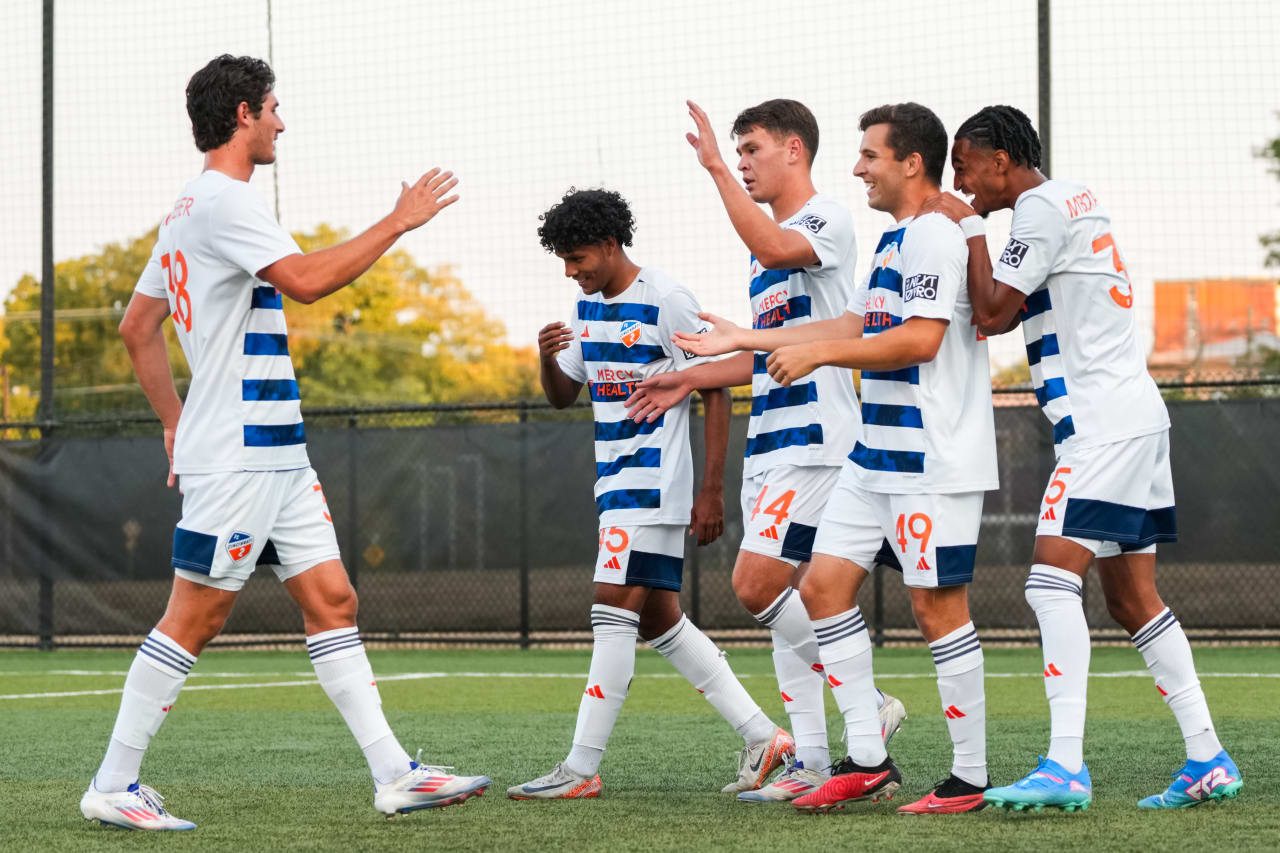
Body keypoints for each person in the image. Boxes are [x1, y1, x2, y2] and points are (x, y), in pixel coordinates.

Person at [80, 54, 490, 831]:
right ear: (242, 114)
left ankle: (396, 773)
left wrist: (174, 419)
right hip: (238, 453)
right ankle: (112, 783)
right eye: (273, 107)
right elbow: (303, 279)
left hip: (275, 451)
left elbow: (139, 327)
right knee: (194, 615)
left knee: (333, 599)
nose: (281, 120)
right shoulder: (223, 200)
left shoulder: (188, 207)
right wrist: (398, 220)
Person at [674, 103, 998, 815]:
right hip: (871, 459)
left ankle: (969, 777)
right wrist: (746, 338)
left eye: (870, 155)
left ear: (911, 162)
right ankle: (868, 758)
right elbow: (851, 323)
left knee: (935, 606)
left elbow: (918, 340)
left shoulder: (936, 236)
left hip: (929, 458)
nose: (858, 168)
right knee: (821, 589)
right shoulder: (892, 241)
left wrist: (814, 351)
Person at [924, 103, 1241, 811]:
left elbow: (993, 312)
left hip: (1103, 425)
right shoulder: (1069, 199)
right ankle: (1208, 755)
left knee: (1046, 580)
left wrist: (968, 227)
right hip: (1131, 418)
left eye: (966, 166)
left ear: (1000, 160)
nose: (961, 181)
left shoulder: (1036, 208)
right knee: (1131, 599)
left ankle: (1065, 764)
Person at [625, 99, 905, 803]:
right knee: (790, 606)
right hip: (771, 446)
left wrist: (714, 169)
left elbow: (785, 258)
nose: (743, 162)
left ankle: (868, 712)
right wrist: (687, 375)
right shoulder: (765, 250)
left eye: (752, 150)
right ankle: (811, 759)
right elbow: (763, 350)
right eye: (737, 153)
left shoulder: (824, 220)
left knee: (755, 584)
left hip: (817, 444)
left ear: (793, 150)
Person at [508, 188, 791, 800]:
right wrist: (546, 358)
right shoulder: (585, 311)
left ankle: (580, 770)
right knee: (660, 619)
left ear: (610, 245)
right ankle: (764, 736)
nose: (571, 270)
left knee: (609, 610)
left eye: (578, 257)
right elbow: (564, 396)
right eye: (563, 260)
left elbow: (716, 385)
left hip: (653, 481)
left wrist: (711, 489)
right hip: (615, 483)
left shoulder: (665, 299)